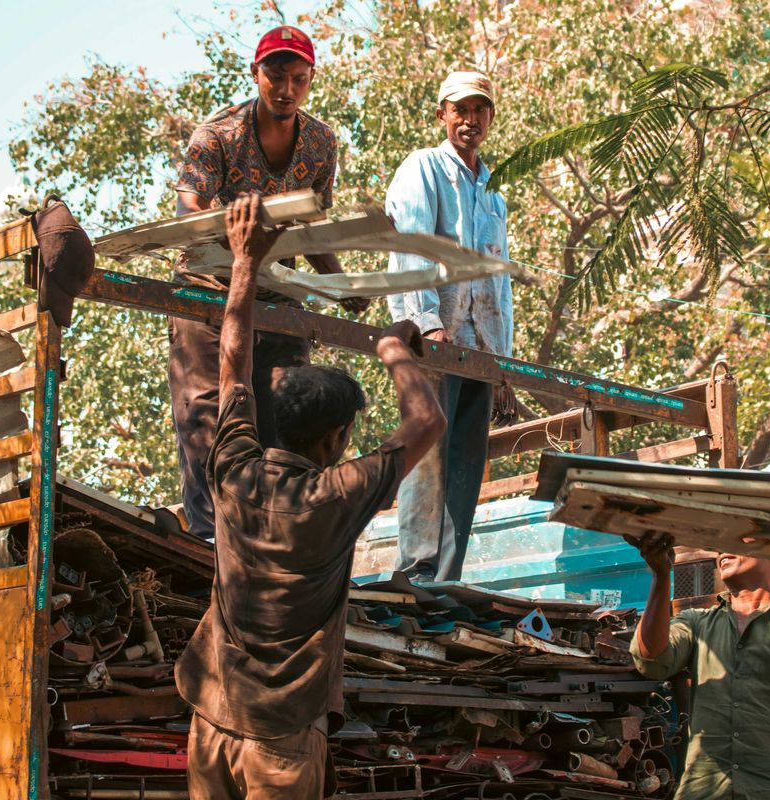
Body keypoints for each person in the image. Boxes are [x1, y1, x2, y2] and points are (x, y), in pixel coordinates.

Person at [178, 194, 446, 799]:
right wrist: (392, 349)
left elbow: (232, 366)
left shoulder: (234, 470)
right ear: (335, 438)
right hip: (282, 737)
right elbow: (428, 420)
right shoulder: (335, 497)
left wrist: (245, 262)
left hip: (213, 720)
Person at [169, 24, 368, 539]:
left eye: (298, 79)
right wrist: (228, 225)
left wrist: (340, 286)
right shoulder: (217, 135)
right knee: (208, 418)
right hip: (209, 294)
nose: (286, 89)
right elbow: (188, 206)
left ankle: (277, 536)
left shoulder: (321, 142)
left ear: (311, 80)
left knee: (284, 417)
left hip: (278, 298)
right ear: (254, 74)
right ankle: (211, 540)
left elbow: (312, 225)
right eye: (276, 76)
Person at [384, 70, 516, 583]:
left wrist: (502, 365)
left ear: (490, 117)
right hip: (435, 340)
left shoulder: (493, 193)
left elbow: (497, 285)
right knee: (428, 456)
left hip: (480, 352)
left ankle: (447, 578)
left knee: (465, 465)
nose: (469, 119)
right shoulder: (423, 168)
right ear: (442, 114)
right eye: (459, 109)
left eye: (479, 109)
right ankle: (415, 571)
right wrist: (426, 324)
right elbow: (410, 248)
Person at [629, 522, 770, 800]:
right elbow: (651, 659)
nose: (722, 550)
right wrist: (660, 576)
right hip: (703, 792)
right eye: (719, 544)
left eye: (737, 538)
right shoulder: (696, 623)